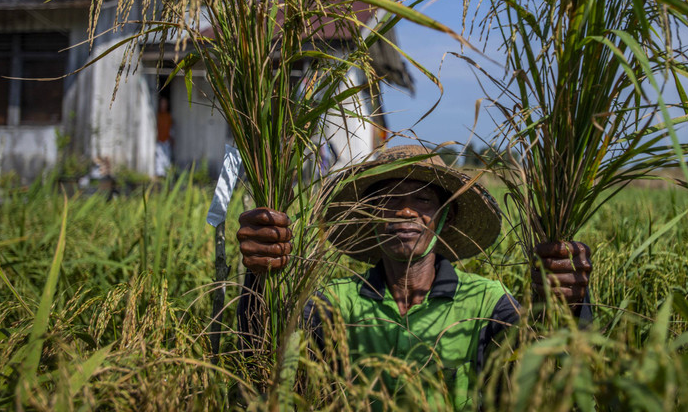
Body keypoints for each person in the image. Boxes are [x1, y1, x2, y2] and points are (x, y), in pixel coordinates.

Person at [236, 145, 592, 409]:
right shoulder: (336, 302)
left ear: (446, 217)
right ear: (368, 215)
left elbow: (547, 370)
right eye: (388, 199)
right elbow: (265, 361)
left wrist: (570, 303)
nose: (405, 211)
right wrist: (258, 277)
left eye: (422, 199)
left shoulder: (487, 302)